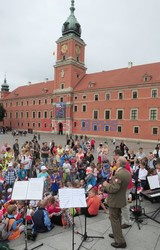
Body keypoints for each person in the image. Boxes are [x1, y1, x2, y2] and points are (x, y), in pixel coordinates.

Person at [103, 157, 130, 249]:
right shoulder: (127, 172)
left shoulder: (119, 174)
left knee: (114, 220)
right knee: (118, 218)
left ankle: (120, 241)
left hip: (115, 201)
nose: (115, 162)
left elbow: (114, 189)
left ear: (119, 163)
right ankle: (116, 234)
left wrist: (106, 185)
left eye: (116, 161)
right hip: (120, 199)